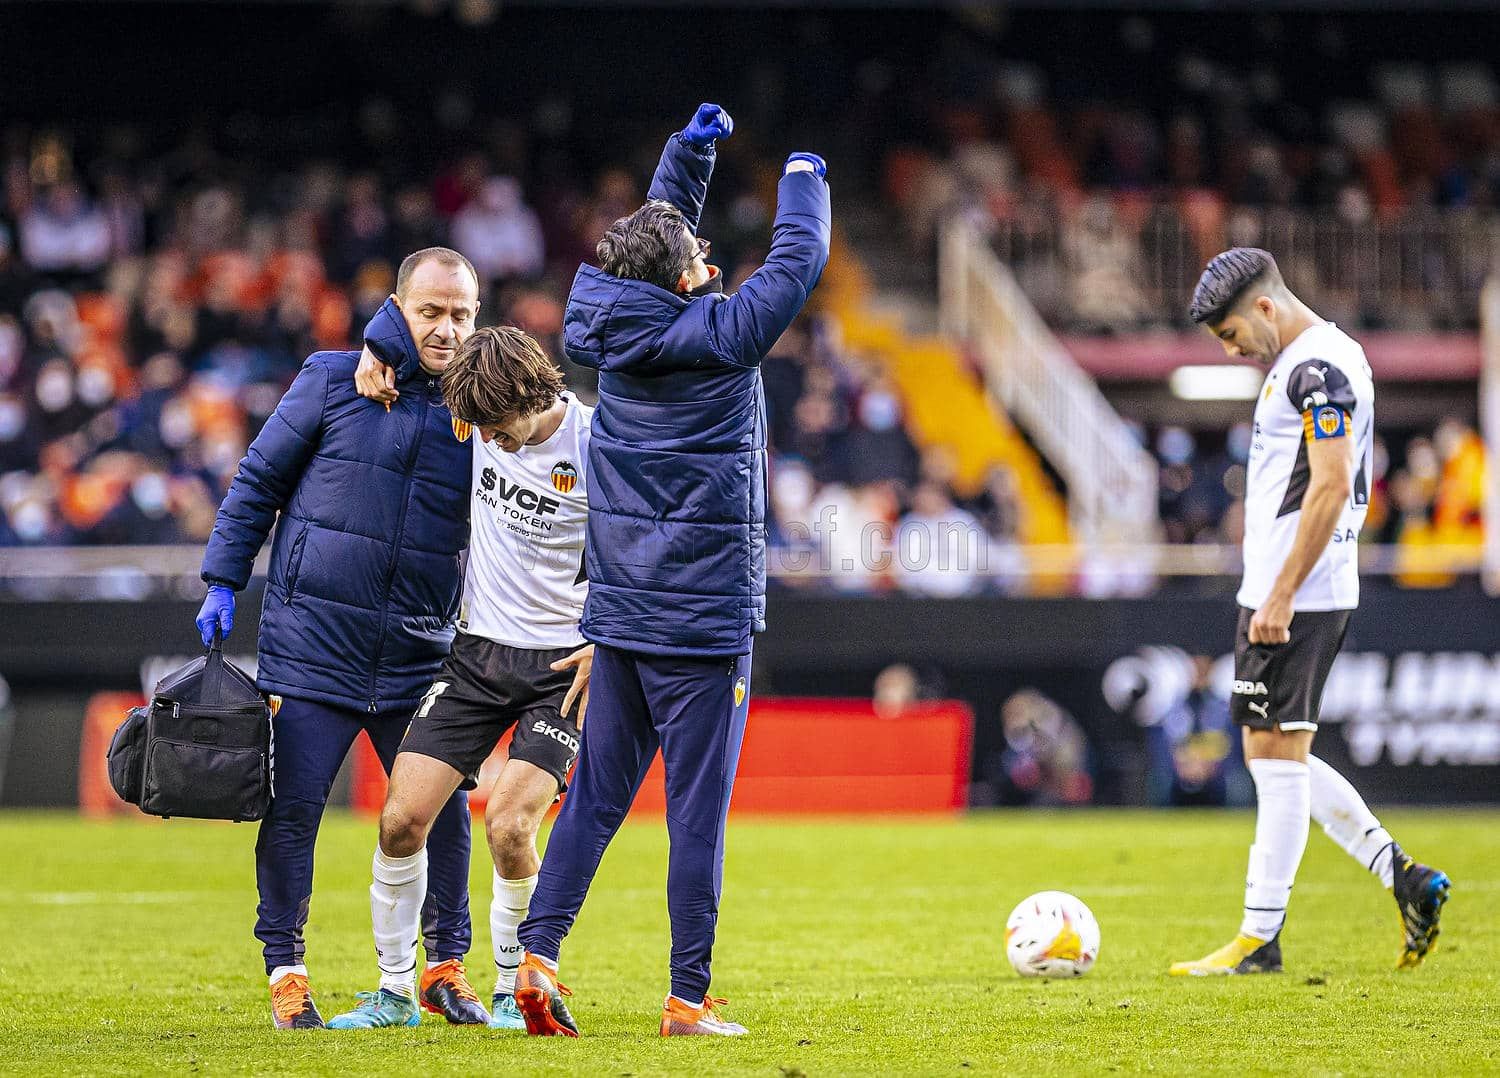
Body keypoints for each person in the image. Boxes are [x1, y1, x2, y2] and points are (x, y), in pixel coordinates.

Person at [509, 103, 831, 1039]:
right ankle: (687, 1000)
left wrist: (688, 156)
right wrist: (805, 173)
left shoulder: (604, 320)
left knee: (597, 801)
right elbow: (798, 262)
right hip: (701, 620)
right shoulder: (721, 336)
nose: (706, 263)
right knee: (697, 816)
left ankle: (538, 954)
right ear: (685, 275)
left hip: (621, 614)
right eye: (696, 257)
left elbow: (651, 237)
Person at [196, 247, 486, 1028]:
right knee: (293, 812)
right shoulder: (333, 377)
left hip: (421, 650)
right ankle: (287, 973)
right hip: (314, 648)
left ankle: (446, 968)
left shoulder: (483, 409)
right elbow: (258, 478)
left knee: (443, 812)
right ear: (398, 307)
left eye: (462, 314)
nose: (448, 329)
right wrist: (223, 577)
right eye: (430, 311)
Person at [1170, 248, 1451, 976]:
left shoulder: (1313, 371)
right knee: (1274, 756)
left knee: (1275, 763)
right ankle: (1405, 878)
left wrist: (1284, 592)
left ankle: (1260, 936)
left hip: (1298, 590)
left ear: (1265, 307)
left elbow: (1328, 487)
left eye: (1231, 334)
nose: (1231, 350)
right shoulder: (1315, 359)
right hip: (1284, 586)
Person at [328, 325, 593, 1031]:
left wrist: (607, 641)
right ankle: (393, 991)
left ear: (535, 393)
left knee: (509, 826)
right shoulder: (478, 412)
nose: (491, 443)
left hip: (561, 670)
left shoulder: (597, 445)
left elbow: (642, 549)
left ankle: (514, 991)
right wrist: (373, 347)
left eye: (501, 431)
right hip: (475, 655)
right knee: (399, 820)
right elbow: (422, 324)